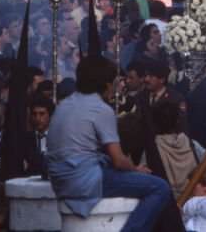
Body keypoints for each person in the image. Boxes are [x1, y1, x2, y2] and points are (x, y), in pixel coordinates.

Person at [46, 54, 173, 232]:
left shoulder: (64, 105)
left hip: (58, 178)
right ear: (107, 85)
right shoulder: (101, 109)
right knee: (160, 188)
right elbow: (119, 160)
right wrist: (136, 169)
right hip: (84, 180)